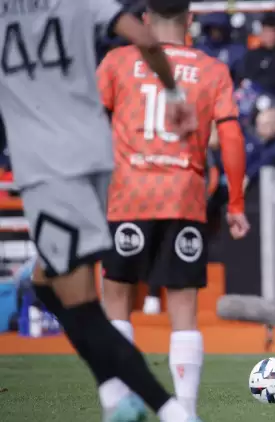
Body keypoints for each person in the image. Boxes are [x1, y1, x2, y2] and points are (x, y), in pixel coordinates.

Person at [0, 0, 202, 421]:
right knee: (46, 283)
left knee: (79, 301)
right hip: (97, 152)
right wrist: (174, 93)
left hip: (47, 165)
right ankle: (115, 396)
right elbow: (145, 39)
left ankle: (170, 412)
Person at [96, 0, 250, 418]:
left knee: (117, 301)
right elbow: (232, 138)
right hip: (184, 196)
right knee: (183, 309)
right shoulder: (212, 69)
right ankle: (183, 410)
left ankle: (117, 404)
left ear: (145, 20)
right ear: (190, 20)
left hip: (128, 194)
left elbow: (92, 120)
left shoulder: (117, 61)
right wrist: (235, 202)